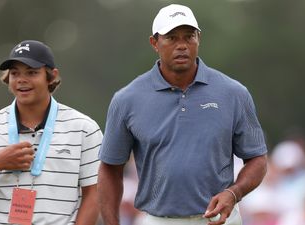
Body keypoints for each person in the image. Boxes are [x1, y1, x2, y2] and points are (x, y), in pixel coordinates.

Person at [98, 4, 268, 225]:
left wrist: (234, 193)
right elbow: (110, 169)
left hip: (219, 219)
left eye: (189, 37)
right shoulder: (126, 100)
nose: (182, 46)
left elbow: (257, 159)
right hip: (158, 220)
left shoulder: (234, 93)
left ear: (199, 38)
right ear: (154, 43)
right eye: (171, 38)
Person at [0, 40, 103, 225]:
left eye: (31, 72)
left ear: (52, 76)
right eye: (15, 73)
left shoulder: (84, 129)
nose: (22, 79)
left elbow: (94, 194)